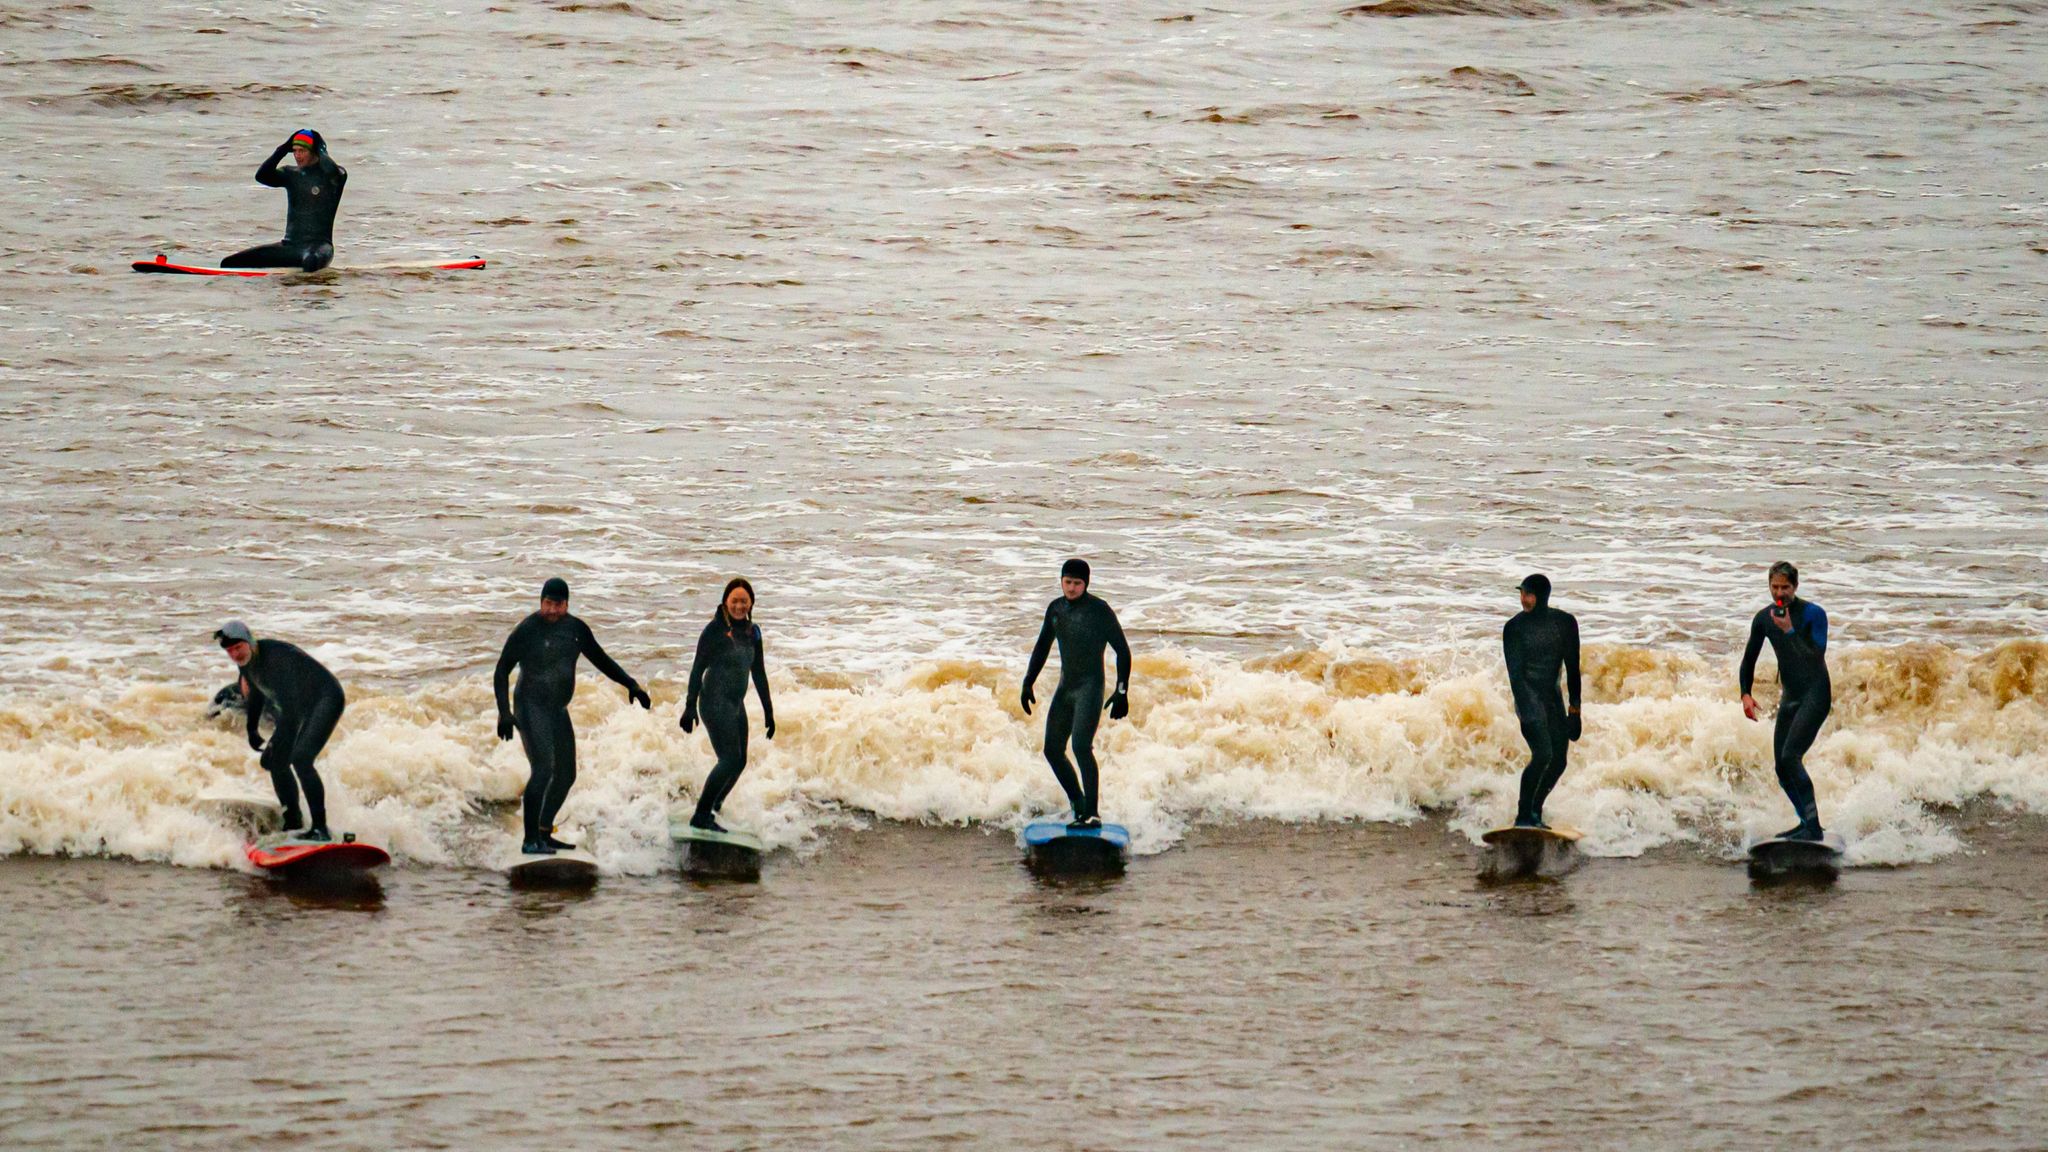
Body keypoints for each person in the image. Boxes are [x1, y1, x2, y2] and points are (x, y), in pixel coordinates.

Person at [494, 577, 650, 855]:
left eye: (559, 604)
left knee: (566, 774)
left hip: (557, 709)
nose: (553, 610)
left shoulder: (576, 630)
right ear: (541, 602)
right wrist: (504, 712)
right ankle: (530, 840)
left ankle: (544, 831)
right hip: (530, 705)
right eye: (548, 604)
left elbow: (602, 660)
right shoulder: (527, 630)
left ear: (567, 604)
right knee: (543, 769)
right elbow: (501, 669)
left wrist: (631, 684)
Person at [1020, 558, 1132, 829]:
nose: (1071, 588)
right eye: (1067, 582)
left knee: (1081, 746)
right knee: (1052, 750)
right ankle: (1078, 803)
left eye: (1077, 583)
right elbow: (1042, 647)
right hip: (1065, 688)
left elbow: (1123, 651)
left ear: (1086, 584)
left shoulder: (1099, 611)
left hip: (1089, 688)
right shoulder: (1055, 609)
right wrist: (1028, 681)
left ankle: (1092, 814)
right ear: (1061, 580)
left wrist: (1122, 690)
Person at [215, 620, 345, 841]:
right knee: (276, 761)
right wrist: (252, 728)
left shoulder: (275, 659)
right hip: (300, 706)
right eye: (230, 651)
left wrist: (276, 741)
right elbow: (256, 691)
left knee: (302, 759)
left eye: (238, 648)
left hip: (326, 699)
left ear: (250, 642)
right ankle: (293, 822)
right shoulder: (247, 661)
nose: (235, 654)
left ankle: (321, 829)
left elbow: (291, 709)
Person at [1739, 561, 1832, 842]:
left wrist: (1791, 630)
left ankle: (1813, 828)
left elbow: (1815, 657)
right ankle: (1805, 821)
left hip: (1815, 694)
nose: (1780, 593)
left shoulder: (1814, 614)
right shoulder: (1764, 619)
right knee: (1781, 766)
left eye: (1785, 587)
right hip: (1791, 695)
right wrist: (1745, 693)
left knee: (1792, 757)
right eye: (1775, 587)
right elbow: (1749, 658)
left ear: (1796, 587)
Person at [680, 579, 775, 832]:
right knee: (729, 759)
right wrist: (689, 706)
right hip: (712, 701)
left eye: (744, 600)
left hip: (735, 704)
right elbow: (697, 669)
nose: (739, 605)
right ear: (725, 602)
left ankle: (713, 807)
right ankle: (700, 815)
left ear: (751, 602)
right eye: (734, 601)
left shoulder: (753, 633)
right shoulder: (714, 631)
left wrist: (769, 711)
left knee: (740, 761)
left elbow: (759, 673)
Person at [1502, 574, 1582, 829]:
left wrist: (1575, 710)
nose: (1523, 599)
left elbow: (1573, 667)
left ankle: (1535, 811)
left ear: (1542, 596)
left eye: (1529, 594)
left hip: (1552, 698)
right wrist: (1527, 711)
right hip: (1527, 696)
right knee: (1543, 754)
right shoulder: (1514, 628)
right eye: (1522, 593)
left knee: (1559, 761)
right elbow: (1515, 675)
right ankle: (1523, 816)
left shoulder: (1565, 623)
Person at [223, 129, 346, 271]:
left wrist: (321, 149)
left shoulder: (335, 176)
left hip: (319, 248)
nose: (297, 156)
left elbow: (332, 171)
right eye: (294, 151)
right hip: (291, 247)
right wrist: (282, 149)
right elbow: (262, 176)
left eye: (302, 151)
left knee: (310, 261)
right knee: (230, 264)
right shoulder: (290, 174)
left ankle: (304, 290)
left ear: (315, 152)